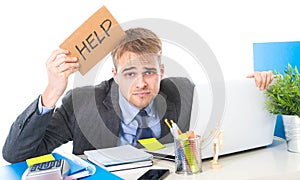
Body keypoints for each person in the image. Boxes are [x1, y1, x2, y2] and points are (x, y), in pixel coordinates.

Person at [2, 27, 274, 163]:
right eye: (130, 73)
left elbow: (226, 122)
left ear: (161, 70)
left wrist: (252, 88)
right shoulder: (82, 102)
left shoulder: (183, 91)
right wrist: (52, 91)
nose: (142, 83)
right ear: (115, 73)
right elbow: (15, 153)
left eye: (149, 72)